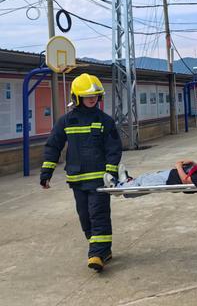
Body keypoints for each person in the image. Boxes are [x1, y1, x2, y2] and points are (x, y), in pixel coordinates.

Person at [40, 73, 122, 272]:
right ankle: (103, 250)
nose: (92, 99)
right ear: (77, 97)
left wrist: (111, 173)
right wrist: (46, 171)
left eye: (95, 96)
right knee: (85, 216)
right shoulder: (66, 121)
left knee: (98, 215)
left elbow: (114, 148)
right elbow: (53, 146)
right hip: (77, 180)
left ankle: (96, 253)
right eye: (87, 96)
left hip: (99, 180)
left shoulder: (105, 121)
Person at [104, 154, 197, 189]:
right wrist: (194, 164)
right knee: (144, 180)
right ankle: (127, 182)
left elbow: (187, 181)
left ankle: (117, 185)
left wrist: (178, 166)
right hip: (175, 174)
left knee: (144, 182)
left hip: (172, 179)